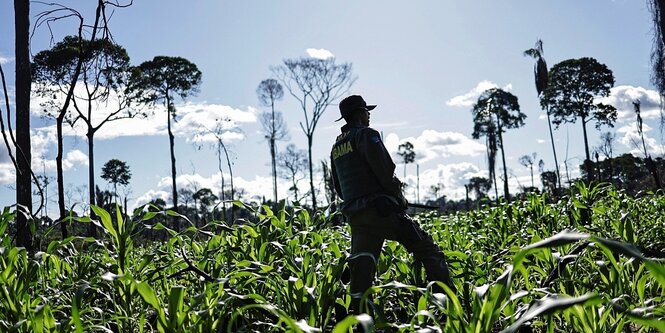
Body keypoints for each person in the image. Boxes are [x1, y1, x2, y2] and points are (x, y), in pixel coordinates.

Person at [330, 95, 455, 315]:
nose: (369, 115)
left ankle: (360, 319)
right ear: (359, 114)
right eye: (366, 111)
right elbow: (386, 173)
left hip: (356, 217)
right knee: (427, 249)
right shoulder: (367, 136)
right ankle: (450, 306)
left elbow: (339, 189)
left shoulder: (337, 146)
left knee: (362, 266)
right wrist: (398, 197)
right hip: (381, 212)